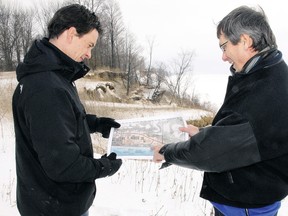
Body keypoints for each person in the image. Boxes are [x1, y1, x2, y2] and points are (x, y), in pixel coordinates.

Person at [153, 5, 288, 216]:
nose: (223, 57)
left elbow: (210, 152)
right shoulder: (266, 73)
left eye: (224, 47)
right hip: (245, 200)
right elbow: (239, 134)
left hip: (246, 206)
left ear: (245, 41)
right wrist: (204, 133)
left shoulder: (265, 90)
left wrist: (166, 151)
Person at [12, 4, 122, 216]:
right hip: (54, 206)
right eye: (89, 45)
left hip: (53, 202)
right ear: (72, 33)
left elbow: (57, 124)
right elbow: (63, 165)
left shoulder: (55, 76)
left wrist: (96, 124)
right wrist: (104, 166)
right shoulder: (46, 86)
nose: (89, 54)